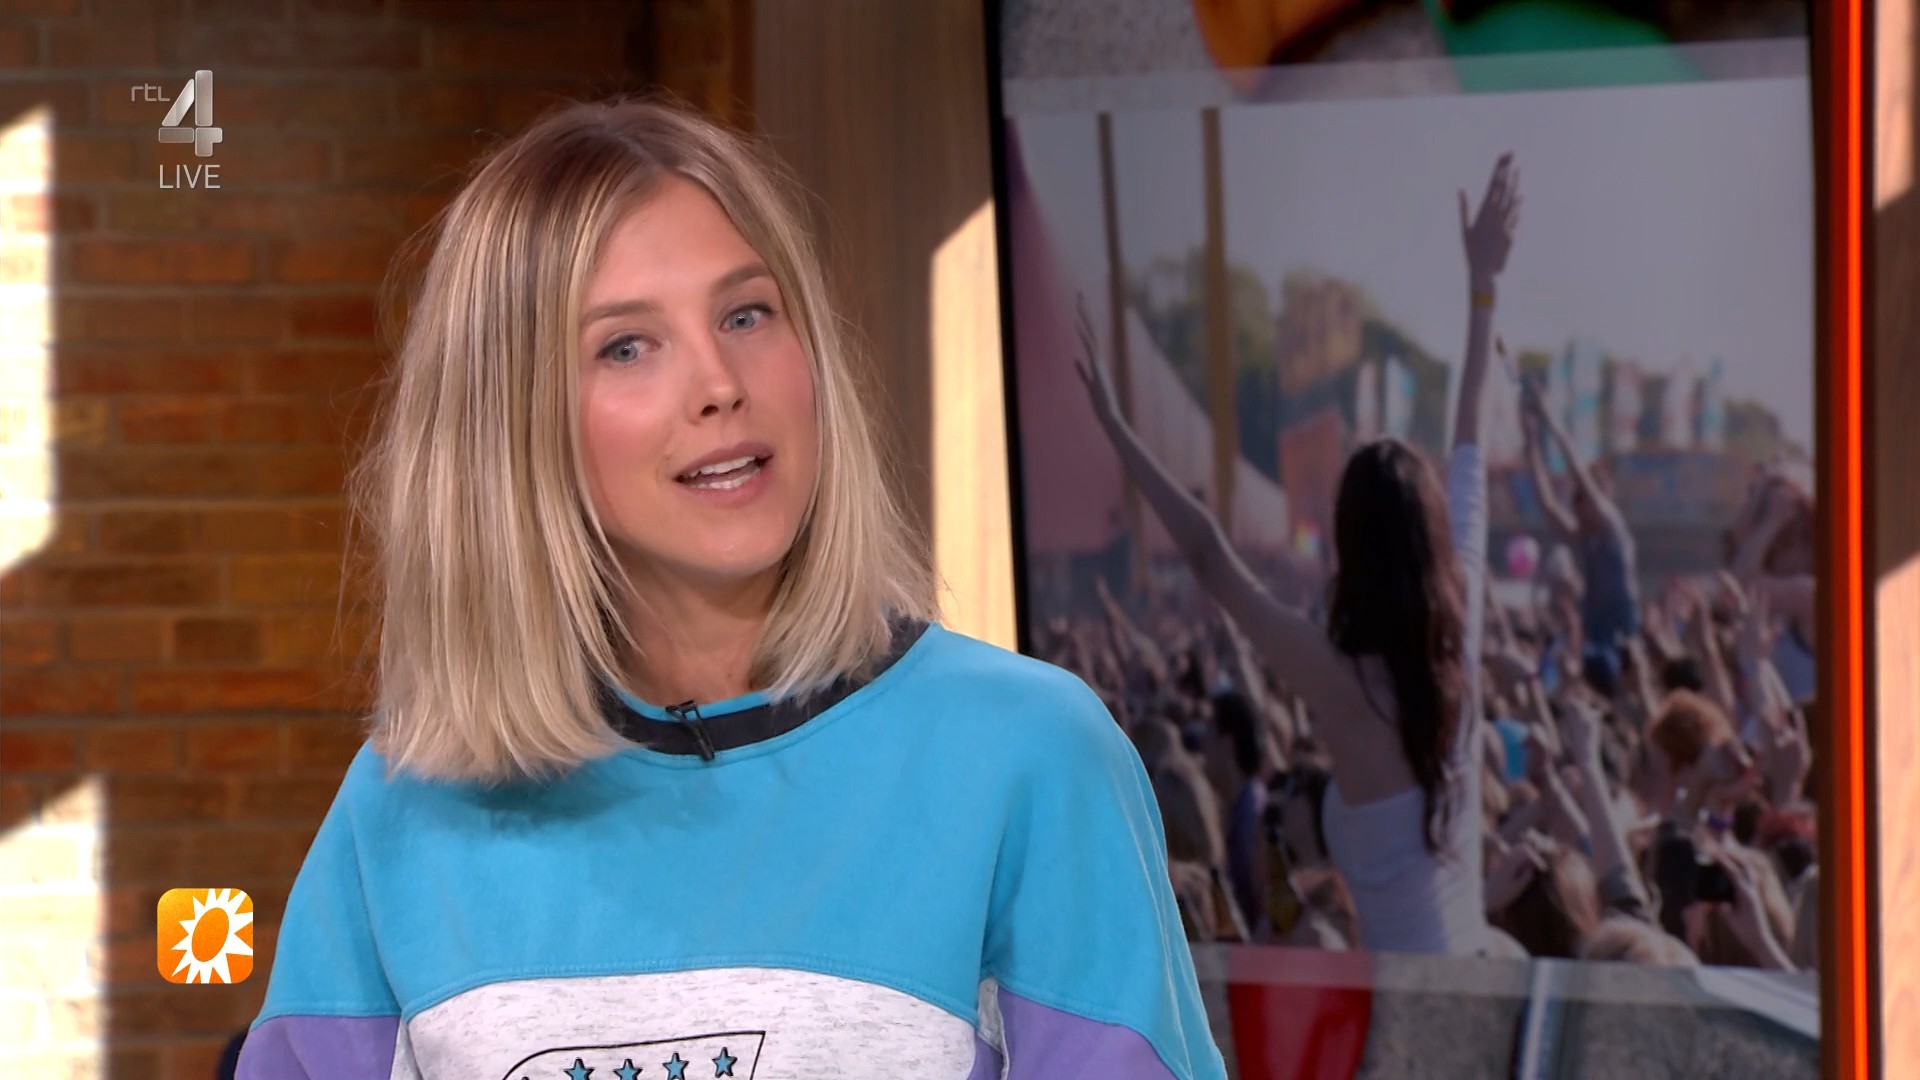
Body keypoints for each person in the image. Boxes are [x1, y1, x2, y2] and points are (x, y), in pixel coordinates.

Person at [237, 98, 1226, 1080]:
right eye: (627, 345)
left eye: (746, 314)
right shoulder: (403, 809)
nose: (720, 383)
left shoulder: (1030, 757)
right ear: (511, 427)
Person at [1073, 153, 1522, 954]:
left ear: (1350, 546)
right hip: (1477, 976)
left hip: (1411, 1008)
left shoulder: (1340, 678)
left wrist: (1117, 429)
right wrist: (1482, 287)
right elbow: (1470, 441)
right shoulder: (1461, 637)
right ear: (1429, 539)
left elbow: (1210, 557)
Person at [1519, 362, 1641, 700]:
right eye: (1575, 502)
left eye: (1582, 500)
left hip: (1621, 633)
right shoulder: (1581, 535)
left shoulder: (1612, 525)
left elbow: (1577, 471)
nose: (1576, 508)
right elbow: (1547, 505)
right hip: (1593, 632)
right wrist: (1531, 445)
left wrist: (1549, 419)